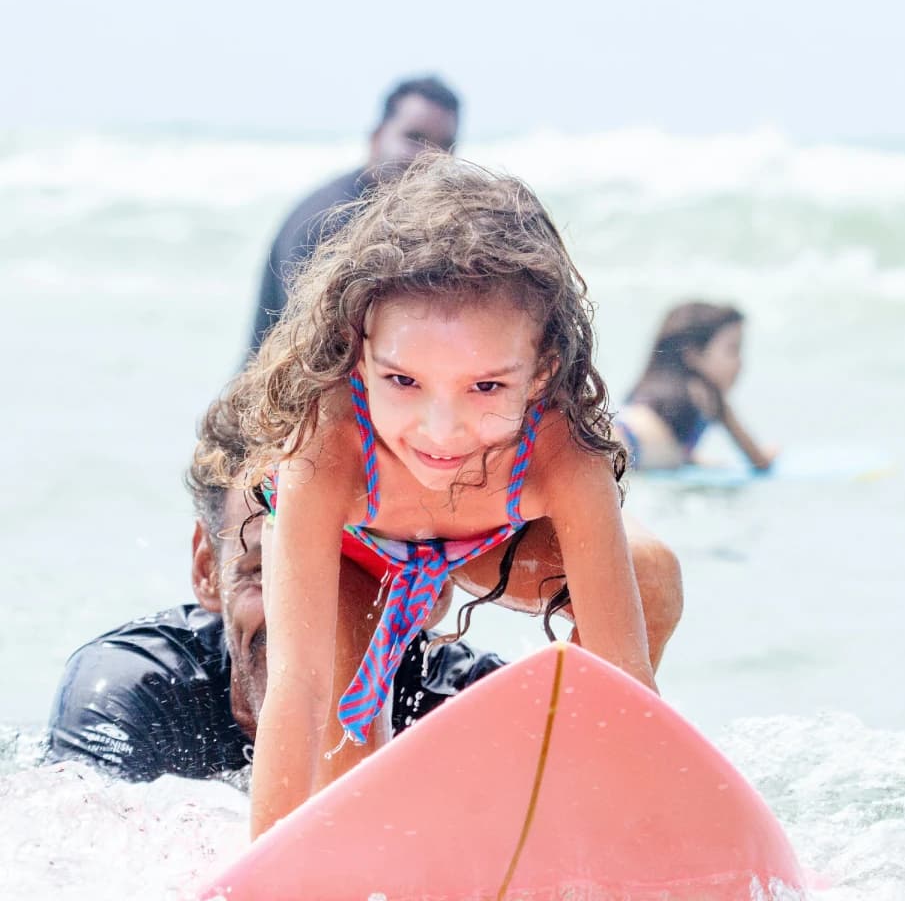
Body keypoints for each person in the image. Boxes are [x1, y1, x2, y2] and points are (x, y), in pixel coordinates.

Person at [207, 153, 684, 837]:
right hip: (357, 556)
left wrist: (644, 830)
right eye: (403, 382)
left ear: (543, 370)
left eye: (486, 387)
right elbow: (299, 690)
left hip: (493, 544)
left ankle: (564, 802)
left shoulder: (559, 447)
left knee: (653, 574)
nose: (440, 431)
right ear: (357, 351)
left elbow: (626, 673)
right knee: (349, 781)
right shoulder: (326, 444)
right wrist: (258, 871)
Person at [46, 391, 505, 782]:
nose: (313, 613)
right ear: (208, 570)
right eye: (266, 572)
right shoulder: (139, 694)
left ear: (432, 589)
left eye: (360, 572)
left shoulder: (467, 703)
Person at [248, 75, 460, 354]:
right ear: (376, 138)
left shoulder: (413, 223)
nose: (430, 156)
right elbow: (315, 350)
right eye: (414, 138)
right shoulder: (330, 219)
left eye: (445, 145)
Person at [616, 302, 776, 471]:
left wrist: (690, 459)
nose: (740, 362)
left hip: (620, 435)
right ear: (693, 354)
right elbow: (759, 460)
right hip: (629, 448)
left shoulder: (652, 391)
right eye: (732, 349)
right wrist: (769, 455)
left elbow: (667, 442)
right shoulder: (706, 393)